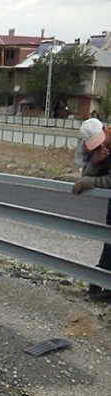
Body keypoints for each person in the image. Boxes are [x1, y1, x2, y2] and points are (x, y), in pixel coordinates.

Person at [71, 117, 111, 299]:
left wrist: (89, 182)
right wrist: (94, 163)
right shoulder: (94, 152)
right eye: (94, 146)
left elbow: (105, 180)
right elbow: (84, 174)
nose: (99, 148)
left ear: (105, 130)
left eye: (100, 143)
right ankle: (101, 277)